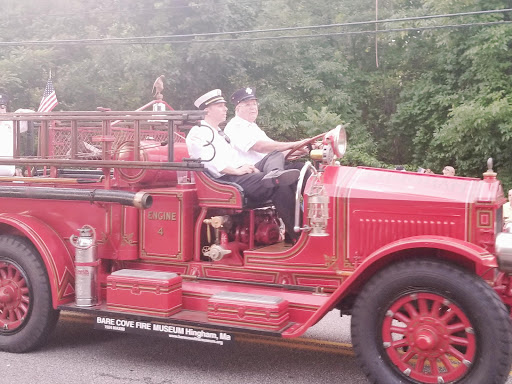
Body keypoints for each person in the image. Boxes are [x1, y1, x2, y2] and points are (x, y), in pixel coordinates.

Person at [186, 89, 301, 243]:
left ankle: (275, 173)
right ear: (207, 110)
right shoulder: (198, 133)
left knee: (275, 154)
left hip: (237, 175)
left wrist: (246, 166)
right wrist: (237, 170)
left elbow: (233, 158)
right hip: (226, 180)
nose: (226, 109)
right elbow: (210, 162)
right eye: (220, 106)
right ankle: (298, 237)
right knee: (279, 186)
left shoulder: (218, 132)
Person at [224, 87, 309, 165]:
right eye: (247, 105)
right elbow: (260, 147)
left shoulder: (252, 127)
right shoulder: (235, 127)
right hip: (251, 174)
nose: (253, 107)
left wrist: (306, 148)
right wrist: (295, 144)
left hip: (267, 169)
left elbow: (276, 152)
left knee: (302, 169)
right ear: (238, 109)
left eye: (254, 104)